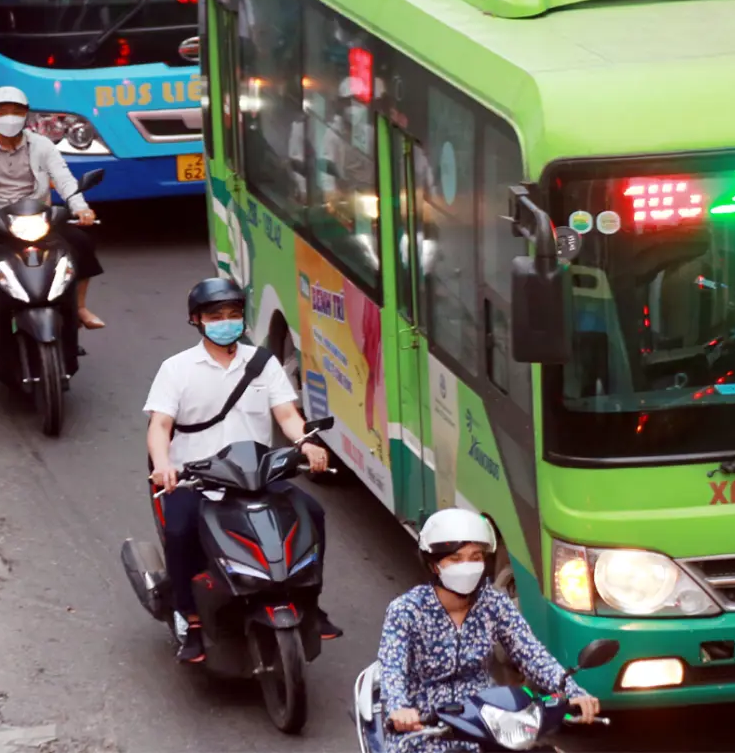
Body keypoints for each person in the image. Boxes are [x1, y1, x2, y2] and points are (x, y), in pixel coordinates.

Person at [145, 277, 336, 663]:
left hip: (257, 477)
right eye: (216, 316)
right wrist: (164, 465)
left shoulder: (262, 364)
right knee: (180, 532)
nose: (225, 322)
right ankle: (190, 618)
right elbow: (160, 425)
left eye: (233, 314)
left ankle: (309, 602)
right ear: (196, 320)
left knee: (312, 515)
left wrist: (307, 443)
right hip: (197, 479)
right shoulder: (176, 369)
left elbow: (287, 415)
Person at [377, 509, 600, 751]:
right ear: (434, 565)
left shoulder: (493, 603)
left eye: (475, 556)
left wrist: (573, 692)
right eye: (455, 559)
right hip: (424, 722)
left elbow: (531, 653)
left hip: (486, 716)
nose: (467, 566)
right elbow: (392, 667)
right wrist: (400, 709)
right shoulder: (406, 609)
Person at [0, 86, 106, 333]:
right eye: (2, 111)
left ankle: (78, 307)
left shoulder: (42, 145)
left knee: (80, 244)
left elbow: (64, 178)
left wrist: (81, 208)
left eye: (16, 111)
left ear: (26, 115)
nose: (9, 117)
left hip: (38, 216)